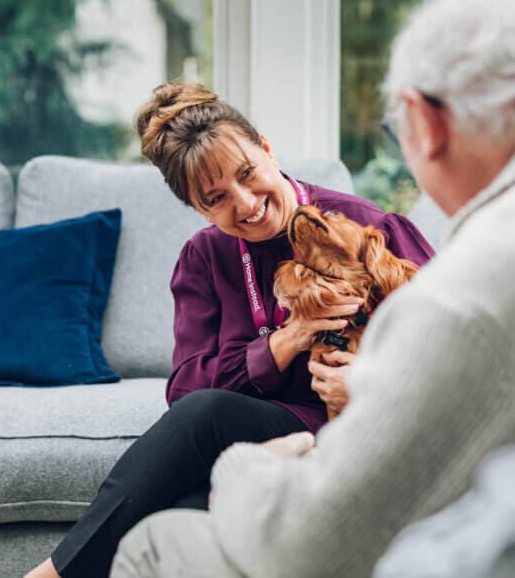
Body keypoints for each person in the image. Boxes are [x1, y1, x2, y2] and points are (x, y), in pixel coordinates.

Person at [110, 0, 515, 578]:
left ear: (425, 124)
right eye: (214, 198)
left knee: (156, 543)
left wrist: (243, 470)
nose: (245, 203)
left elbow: (319, 542)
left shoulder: (475, 285)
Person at [25, 84, 434, 578]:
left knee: (200, 456)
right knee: (181, 507)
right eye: (217, 198)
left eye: (247, 174)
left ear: (266, 148)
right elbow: (186, 390)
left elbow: (451, 348)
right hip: (274, 431)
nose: (245, 205)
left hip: (363, 428)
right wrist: (286, 340)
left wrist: (371, 383)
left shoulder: (366, 226)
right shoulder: (205, 258)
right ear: (198, 209)